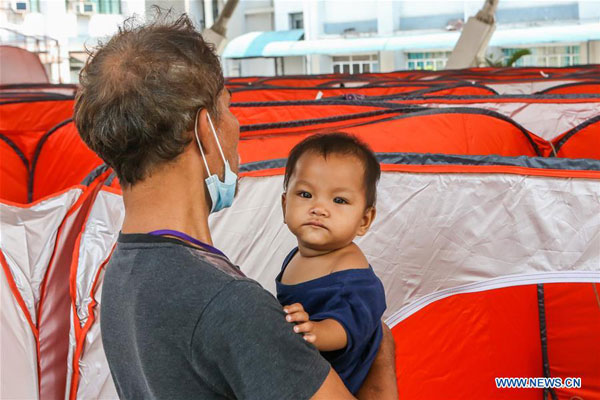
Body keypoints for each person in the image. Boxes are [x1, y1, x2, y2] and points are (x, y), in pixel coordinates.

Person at [74, 11, 398, 400]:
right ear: (204, 129)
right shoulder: (229, 304)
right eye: (227, 107)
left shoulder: (121, 272)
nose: (236, 124)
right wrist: (381, 355)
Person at [277, 133, 386, 395]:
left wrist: (316, 331)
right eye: (305, 194)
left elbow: (348, 327)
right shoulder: (296, 255)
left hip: (338, 385)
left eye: (339, 200)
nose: (319, 208)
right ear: (284, 205)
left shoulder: (352, 274)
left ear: (364, 220)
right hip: (300, 369)